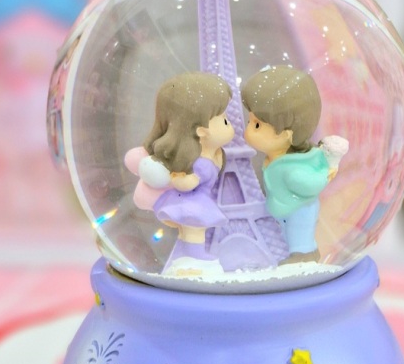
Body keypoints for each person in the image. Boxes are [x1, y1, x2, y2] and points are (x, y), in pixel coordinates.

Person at [138, 72, 234, 277]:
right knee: (194, 230)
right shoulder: (200, 163)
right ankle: (194, 257)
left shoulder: (210, 156)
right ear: (201, 131)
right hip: (193, 203)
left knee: (188, 231)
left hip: (195, 202)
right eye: (225, 120)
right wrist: (179, 178)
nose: (230, 125)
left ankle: (185, 256)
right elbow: (187, 183)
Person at [241, 66, 340, 265]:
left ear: (286, 135)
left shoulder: (292, 171)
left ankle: (303, 256)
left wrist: (327, 172)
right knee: (287, 235)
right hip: (286, 210)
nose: (248, 130)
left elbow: (310, 185)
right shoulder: (278, 161)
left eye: (257, 125)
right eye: (250, 121)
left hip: (299, 211)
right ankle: (300, 253)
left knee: (298, 236)